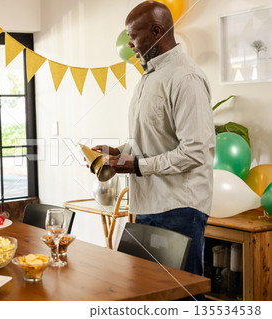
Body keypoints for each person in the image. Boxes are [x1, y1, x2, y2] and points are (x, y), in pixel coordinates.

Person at [91, 1, 215, 298]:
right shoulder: (149, 77)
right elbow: (149, 139)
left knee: (182, 298)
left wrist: (135, 165)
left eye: (133, 35)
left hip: (179, 209)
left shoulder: (186, 78)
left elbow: (195, 152)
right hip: (147, 205)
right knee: (147, 295)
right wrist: (115, 151)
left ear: (157, 31)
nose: (129, 43)